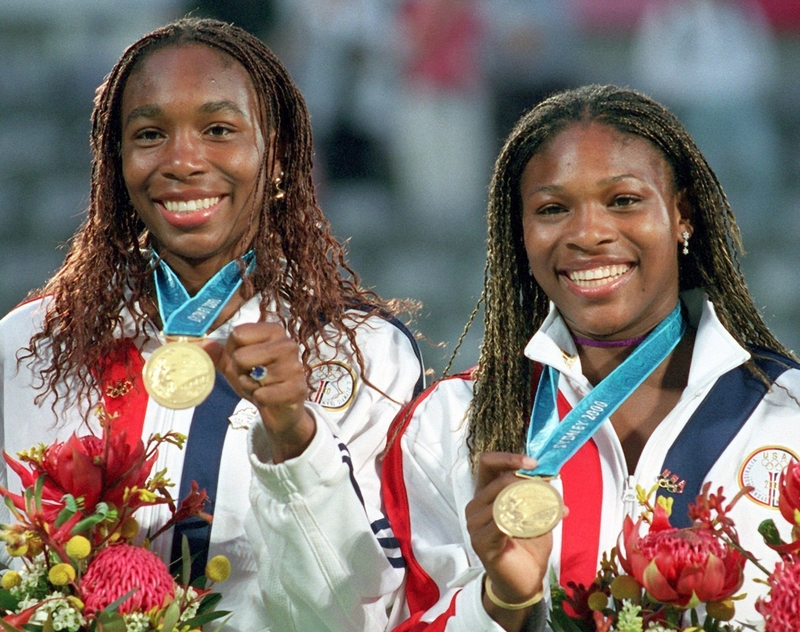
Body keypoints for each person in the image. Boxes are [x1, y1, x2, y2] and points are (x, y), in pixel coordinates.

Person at [0, 17, 423, 632]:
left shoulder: (362, 355)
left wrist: (294, 438)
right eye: (149, 134)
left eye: (219, 130)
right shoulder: (26, 348)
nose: (182, 161)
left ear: (275, 156)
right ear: (116, 162)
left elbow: (353, 613)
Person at [380, 84, 800, 631]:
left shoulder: (788, 413)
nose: (588, 234)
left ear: (682, 215)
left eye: (624, 200)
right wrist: (502, 602)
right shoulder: (446, 426)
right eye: (553, 209)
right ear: (522, 234)